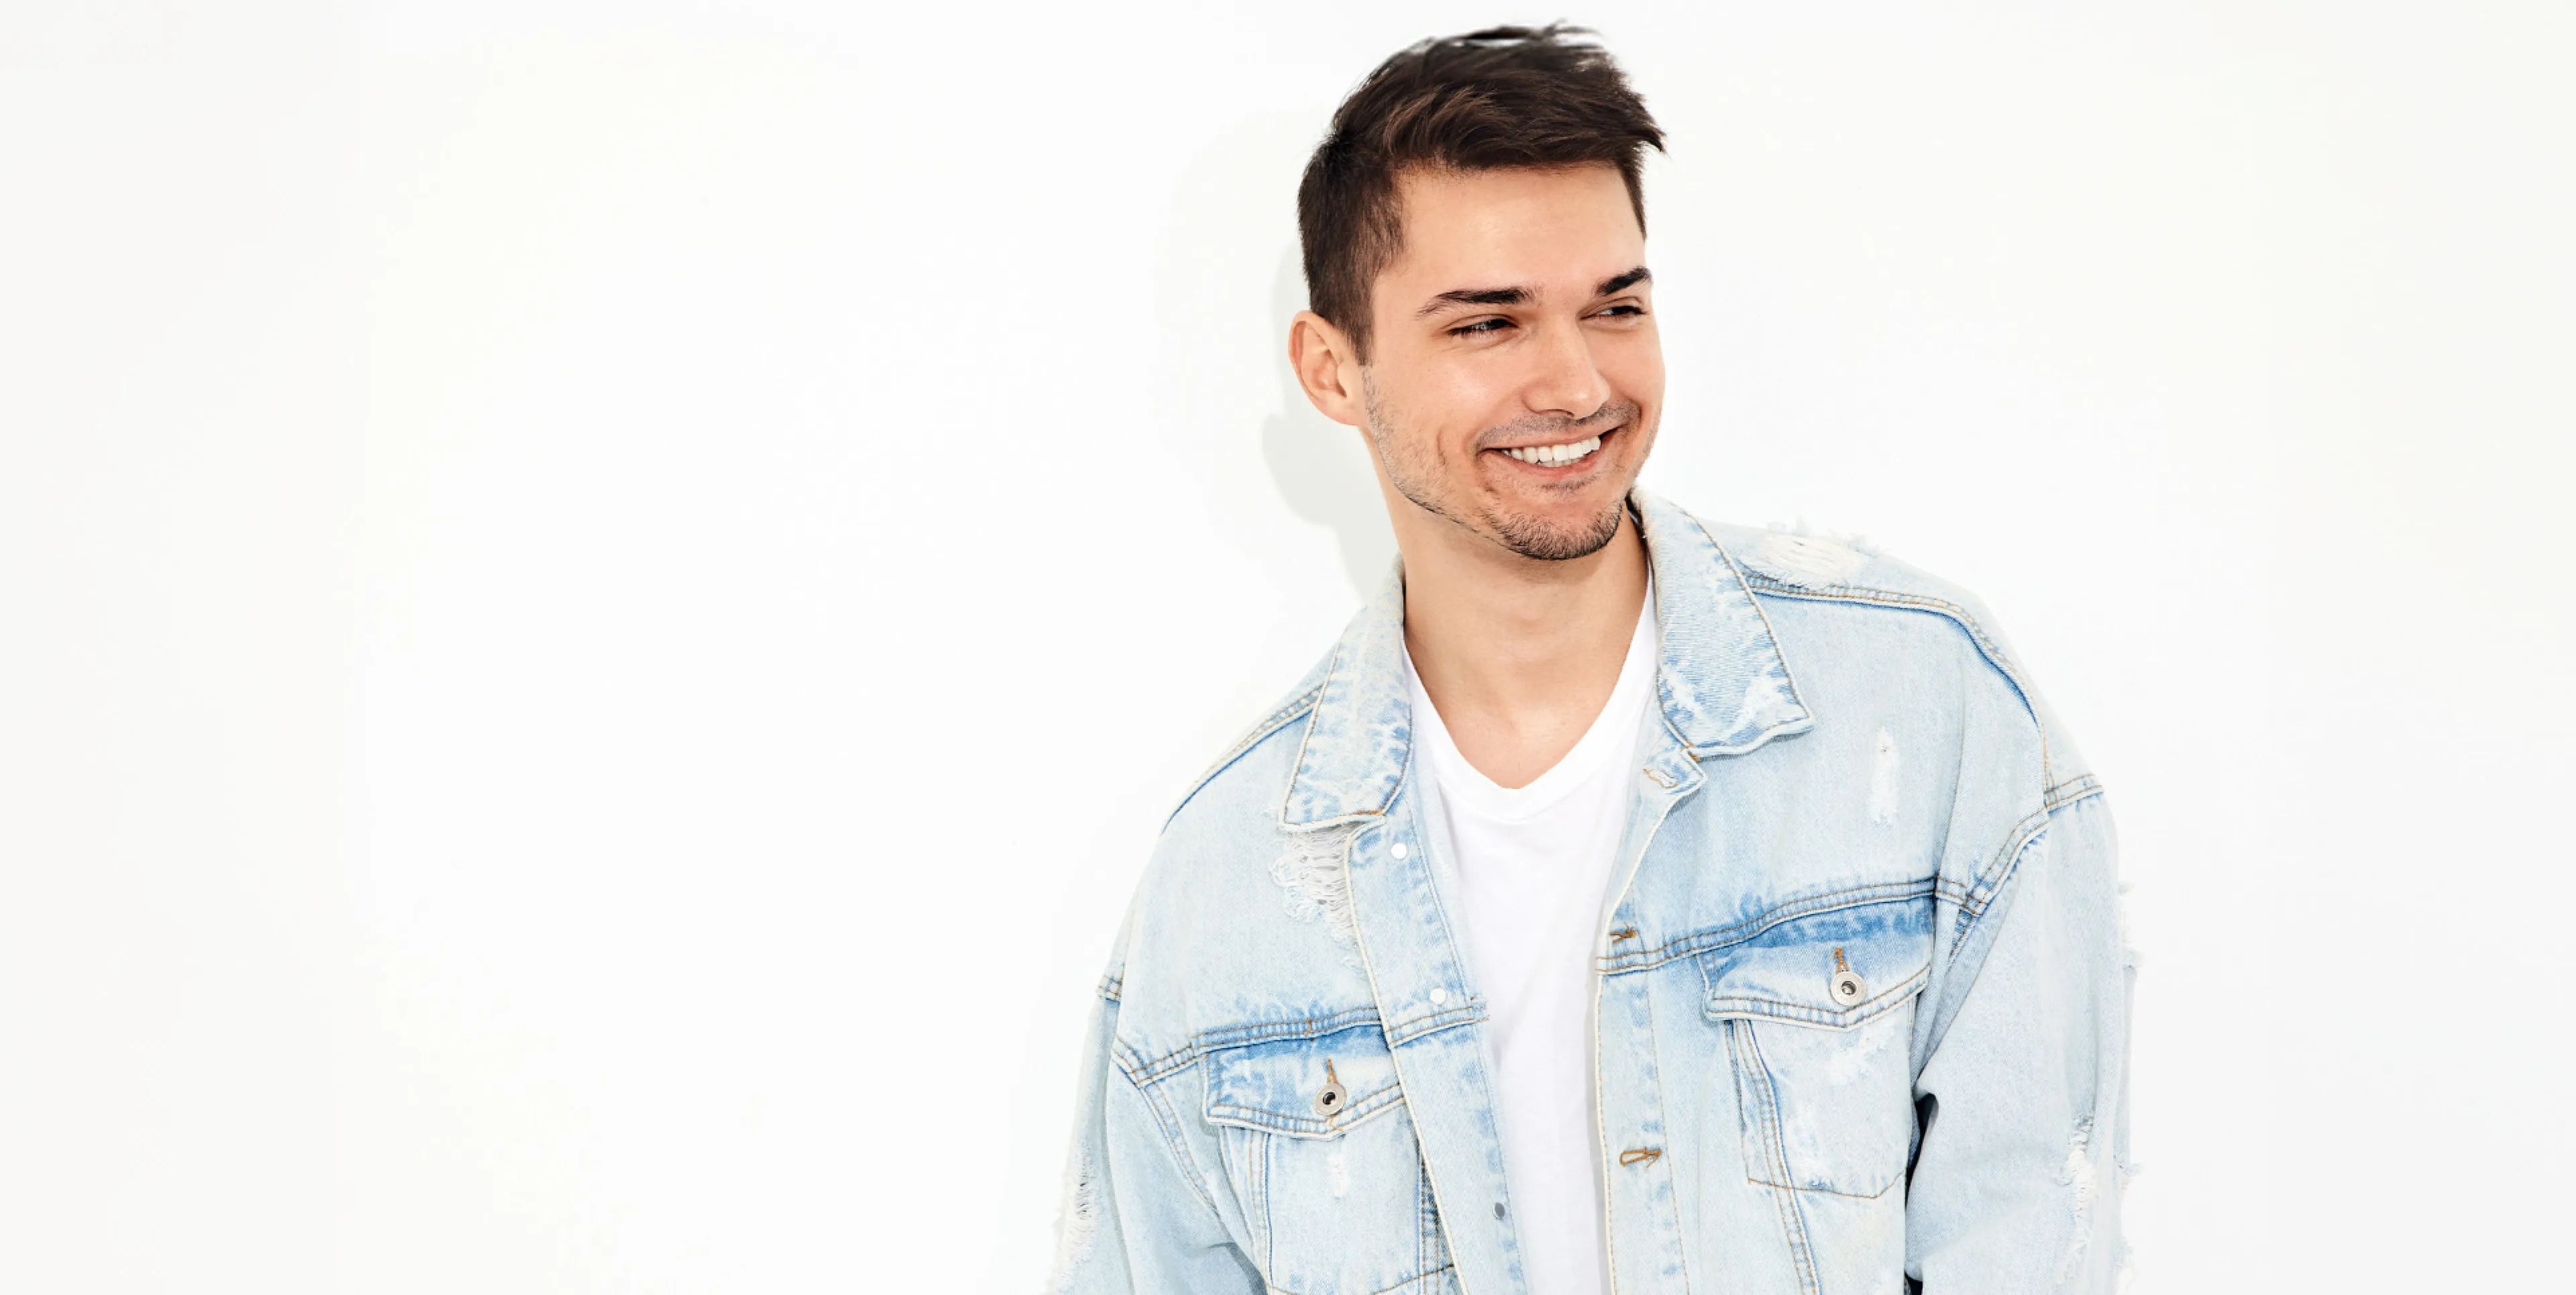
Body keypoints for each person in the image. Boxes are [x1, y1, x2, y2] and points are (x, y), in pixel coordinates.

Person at [1050, 25, 2130, 1295]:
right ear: (1332, 370)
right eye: (1489, 324)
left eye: (1615, 306)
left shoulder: (1923, 716)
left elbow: (2024, 1241)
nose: (1576, 382)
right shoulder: (1221, 893)